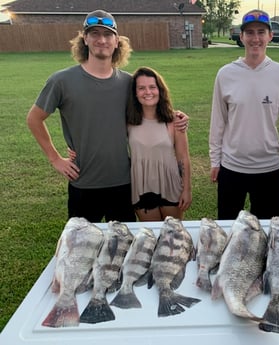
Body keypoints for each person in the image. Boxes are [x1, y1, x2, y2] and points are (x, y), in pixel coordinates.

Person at [26, 9, 188, 223]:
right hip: (83, 183)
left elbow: (153, 109)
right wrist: (55, 159)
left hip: (123, 184)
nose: (101, 40)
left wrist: (177, 116)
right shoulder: (62, 81)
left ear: (116, 41)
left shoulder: (129, 83)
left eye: (107, 34)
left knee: (122, 249)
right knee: (82, 250)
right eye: (94, 34)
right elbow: (34, 119)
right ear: (85, 38)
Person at [209, 9, 279, 220]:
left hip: (269, 168)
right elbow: (218, 120)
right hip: (232, 166)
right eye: (249, 33)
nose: (255, 38)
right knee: (228, 229)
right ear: (242, 37)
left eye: (261, 32)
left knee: (267, 233)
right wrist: (215, 160)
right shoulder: (226, 74)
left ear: (270, 36)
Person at [127, 67, 192, 221]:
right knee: (152, 237)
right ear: (135, 93)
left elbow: (183, 157)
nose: (147, 92)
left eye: (152, 87)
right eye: (141, 88)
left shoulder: (174, 121)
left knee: (173, 236)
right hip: (141, 187)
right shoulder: (128, 121)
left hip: (170, 185)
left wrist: (187, 189)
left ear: (160, 90)